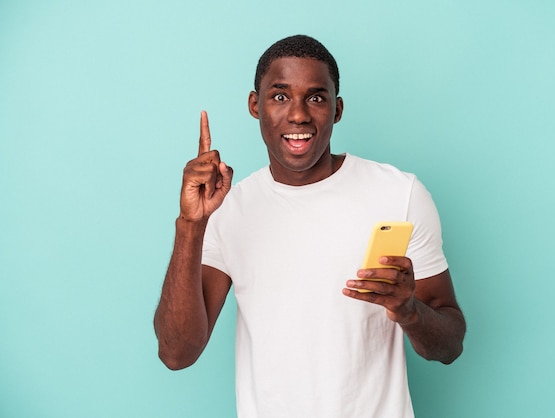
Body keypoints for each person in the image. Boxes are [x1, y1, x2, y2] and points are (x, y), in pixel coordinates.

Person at [154, 34, 466, 418]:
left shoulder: (400, 194)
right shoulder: (229, 209)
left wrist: (409, 311)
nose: (298, 115)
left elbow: (450, 346)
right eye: (280, 96)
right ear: (255, 105)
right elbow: (176, 353)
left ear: (337, 109)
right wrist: (190, 225)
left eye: (316, 98)